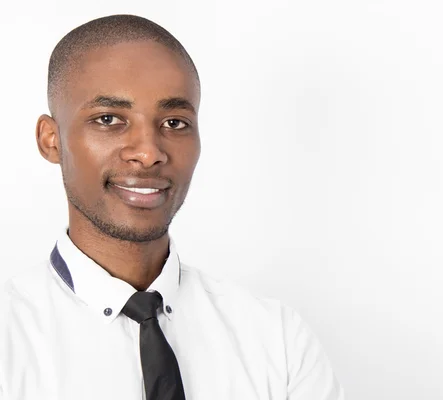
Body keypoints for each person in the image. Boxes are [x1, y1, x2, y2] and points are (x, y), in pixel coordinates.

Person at [0, 14, 343, 400]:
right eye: (109, 119)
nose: (148, 153)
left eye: (175, 123)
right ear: (51, 140)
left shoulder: (277, 341)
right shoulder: (9, 341)